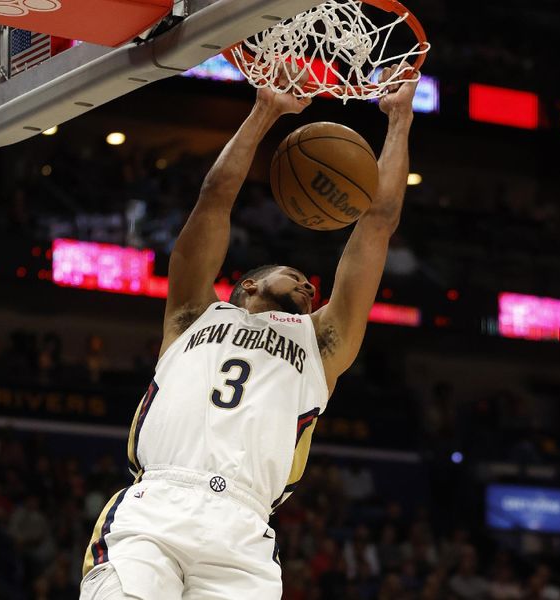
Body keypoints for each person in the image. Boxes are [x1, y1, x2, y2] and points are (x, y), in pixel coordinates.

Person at [81, 62, 419, 599]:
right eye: (293, 277)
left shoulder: (323, 342)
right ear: (247, 286)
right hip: (156, 511)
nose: (309, 287)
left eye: (310, 285)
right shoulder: (192, 315)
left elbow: (378, 223)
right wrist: (265, 111)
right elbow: (214, 196)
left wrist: (398, 121)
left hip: (243, 531)